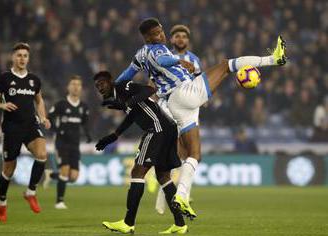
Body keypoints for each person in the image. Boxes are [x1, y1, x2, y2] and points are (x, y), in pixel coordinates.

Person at [115, 17, 287, 219]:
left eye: (161, 31)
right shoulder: (157, 49)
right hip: (183, 93)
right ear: (147, 37)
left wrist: (115, 89)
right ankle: (274, 59)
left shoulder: (140, 55)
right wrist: (178, 60)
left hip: (176, 104)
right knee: (226, 65)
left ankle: (181, 197)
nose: (161, 35)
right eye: (156, 34)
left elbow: (124, 77)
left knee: (194, 155)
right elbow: (162, 60)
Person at [94, 70, 188, 234]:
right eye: (97, 86)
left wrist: (126, 104)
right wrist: (115, 135)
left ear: (110, 81)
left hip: (157, 129)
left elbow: (149, 90)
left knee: (137, 172)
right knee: (163, 177)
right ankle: (180, 224)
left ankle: (128, 223)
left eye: (102, 83)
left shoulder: (123, 87)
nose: (100, 88)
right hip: (167, 128)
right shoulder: (121, 98)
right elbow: (133, 115)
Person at [0, 43, 51, 222]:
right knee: (8, 170)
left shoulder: (34, 80)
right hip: (12, 127)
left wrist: (43, 117)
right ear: (13, 57)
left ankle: (30, 192)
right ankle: (2, 202)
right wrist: (2, 105)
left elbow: (39, 100)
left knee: (42, 154)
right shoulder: (4, 78)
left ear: (28, 58)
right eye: (19, 55)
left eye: (25, 56)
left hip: (30, 125)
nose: (22, 59)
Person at [155, 24, 202, 215]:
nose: (181, 39)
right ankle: (167, 191)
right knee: (175, 152)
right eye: (177, 36)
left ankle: (181, 194)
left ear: (188, 40)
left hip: (189, 108)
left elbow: (199, 83)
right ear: (172, 39)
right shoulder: (165, 57)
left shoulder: (195, 60)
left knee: (188, 153)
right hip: (168, 107)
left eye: (184, 36)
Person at [43, 75, 91, 209]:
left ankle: (52, 175)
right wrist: (55, 129)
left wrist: (87, 135)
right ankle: (59, 201)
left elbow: (85, 123)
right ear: (68, 87)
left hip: (75, 144)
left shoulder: (83, 107)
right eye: (73, 84)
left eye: (78, 85)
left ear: (81, 88)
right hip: (61, 142)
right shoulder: (61, 105)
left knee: (74, 177)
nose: (76, 87)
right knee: (65, 170)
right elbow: (49, 118)